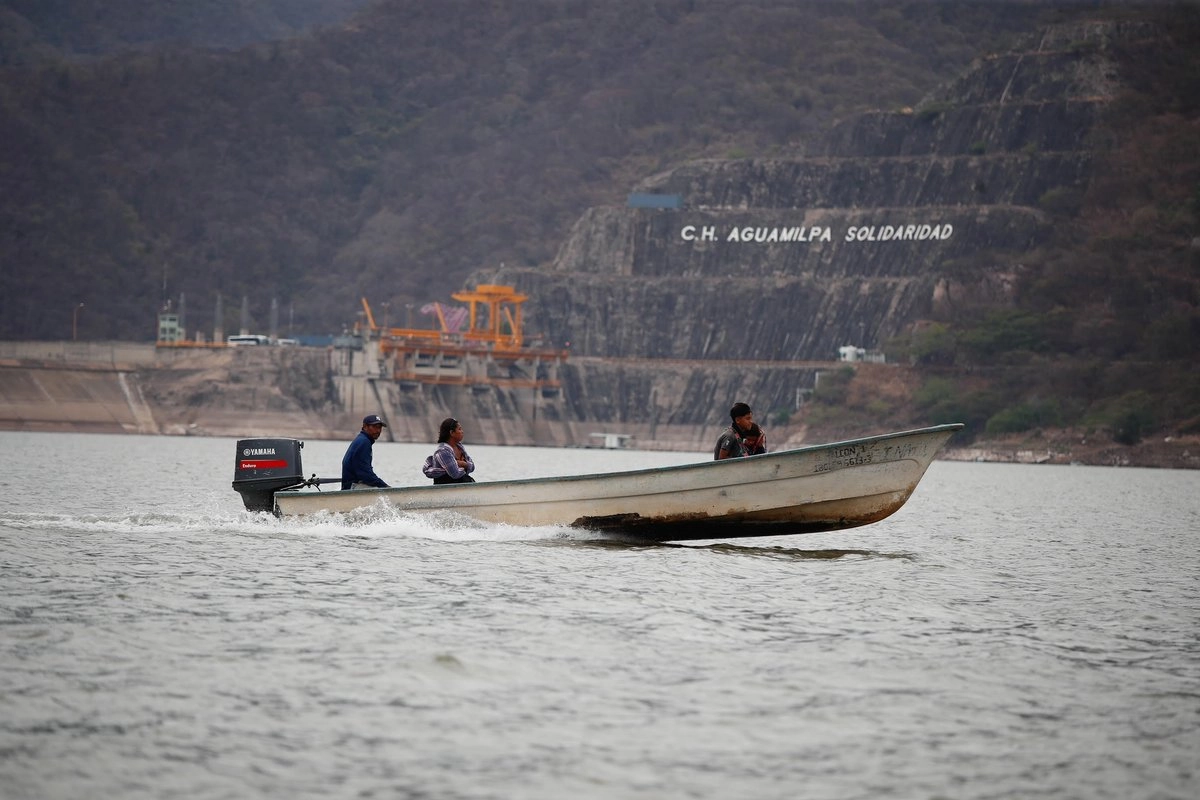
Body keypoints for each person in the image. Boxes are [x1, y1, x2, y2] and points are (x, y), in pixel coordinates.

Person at [341, 414, 390, 490]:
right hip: (353, 487)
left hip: (349, 486)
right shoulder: (364, 442)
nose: (378, 430)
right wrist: (385, 487)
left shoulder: (361, 439)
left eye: (380, 427)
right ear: (365, 427)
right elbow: (365, 474)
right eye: (374, 427)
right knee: (383, 492)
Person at [423, 417, 476, 484]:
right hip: (444, 488)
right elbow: (455, 474)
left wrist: (462, 464)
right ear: (452, 432)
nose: (462, 431)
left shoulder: (460, 447)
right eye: (459, 429)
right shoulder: (443, 451)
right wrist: (465, 466)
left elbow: (472, 467)